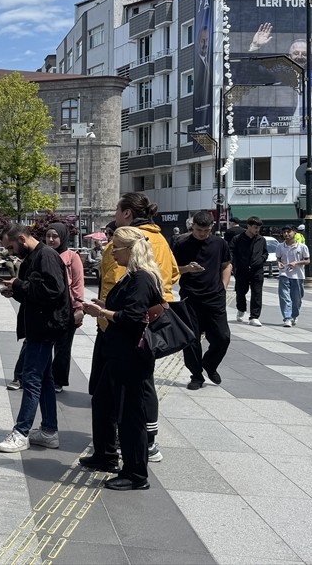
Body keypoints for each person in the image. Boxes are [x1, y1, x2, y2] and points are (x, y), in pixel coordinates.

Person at [81, 226, 165, 491]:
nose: (112, 252)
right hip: (118, 352)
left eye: (115, 248)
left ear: (130, 249)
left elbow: (131, 318)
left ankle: (136, 474)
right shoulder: (132, 276)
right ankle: (105, 456)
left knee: (130, 415)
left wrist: (102, 312)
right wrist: (104, 307)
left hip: (131, 356)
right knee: (103, 401)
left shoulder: (141, 278)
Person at [96, 192, 178, 463]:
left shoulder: (126, 241)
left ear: (127, 213)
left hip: (120, 326)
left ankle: (126, 446)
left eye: (118, 211)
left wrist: (103, 311)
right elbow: (175, 273)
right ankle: (149, 441)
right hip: (152, 325)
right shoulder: (162, 240)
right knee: (144, 384)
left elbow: (119, 282)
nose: (115, 217)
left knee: (121, 391)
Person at [0, 224, 69, 453]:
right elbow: (36, 291)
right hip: (40, 325)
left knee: (31, 378)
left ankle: (21, 431)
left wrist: (18, 284)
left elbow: (53, 291)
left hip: (45, 327)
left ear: (22, 238)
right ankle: (48, 431)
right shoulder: (36, 256)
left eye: (11, 246)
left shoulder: (45, 256)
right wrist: (16, 290)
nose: (11, 251)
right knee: (44, 378)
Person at [173, 211, 233, 390]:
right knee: (191, 339)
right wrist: (187, 268)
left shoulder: (220, 243)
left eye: (206, 230)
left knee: (223, 337)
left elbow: (226, 265)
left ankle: (209, 364)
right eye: (199, 230)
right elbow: (173, 269)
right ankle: (196, 375)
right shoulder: (182, 244)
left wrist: (223, 286)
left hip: (215, 297)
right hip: (190, 297)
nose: (202, 234)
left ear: (211, 227)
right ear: (192, 227)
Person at [45, 222, 85, 392]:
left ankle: (58, 380)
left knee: (63, 347)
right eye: (48, 236)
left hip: (67, 308)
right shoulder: (43, 254)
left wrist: (79, 308)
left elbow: (77, 283)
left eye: (55, 236)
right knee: (42, 344)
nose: (51, 239)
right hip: (46, 307)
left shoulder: (72, 257)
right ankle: (34, 376)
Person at [231, 216, 267, 326]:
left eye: (259, 228)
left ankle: (254, 317)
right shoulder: (238, 239)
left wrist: (261, 260)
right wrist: (233, 265)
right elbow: (231, 252)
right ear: (248, 226)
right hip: (242, 270)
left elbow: (265, 253)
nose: (257, 230)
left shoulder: (261, 239)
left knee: (257, 293)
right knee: (241, 292)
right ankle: (241, 309)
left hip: (257, 270)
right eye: (255, 227)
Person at [276, 225, 311, 327]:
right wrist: (278, 263)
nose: (286, 234)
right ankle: (287, 318)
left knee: (297, 299)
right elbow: (278, 259)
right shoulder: (280, 246)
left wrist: (297, 263)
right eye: (284, 232)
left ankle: (294, 315)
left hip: (297, 275)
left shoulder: (302, 247)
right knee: (284, 297)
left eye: (288, 232)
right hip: (284, 274)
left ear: (294, 232)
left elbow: (307, 260)